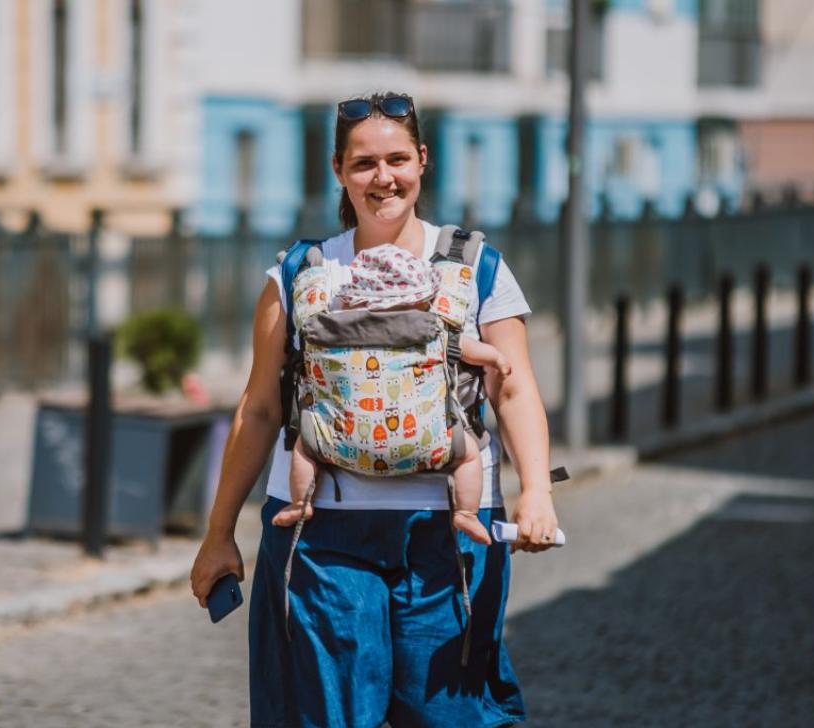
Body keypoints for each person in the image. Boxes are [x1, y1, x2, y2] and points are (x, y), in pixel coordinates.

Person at [191, 91, 560, 727]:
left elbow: (515, 388)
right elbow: (258, 409)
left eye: (396, 160)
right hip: (318, 534)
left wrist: (537, 491)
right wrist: (219, 533)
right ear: (338, 169)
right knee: (327, 717)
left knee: (450, 715)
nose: (382, 178)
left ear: (422, 161)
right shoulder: (299, 272)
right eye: (363, 164)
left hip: (448, 530)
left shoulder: (477, 268)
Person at [270, 242, 510, 545]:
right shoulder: (434, 328)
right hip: (428, 441)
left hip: (338, 444)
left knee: (305, 448)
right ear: (420, 299)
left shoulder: (328, 329)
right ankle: (465, 513)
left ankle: (300, 503)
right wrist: (496, 358)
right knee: (469, 456)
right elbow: (471, 351)